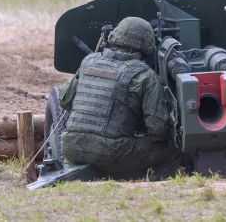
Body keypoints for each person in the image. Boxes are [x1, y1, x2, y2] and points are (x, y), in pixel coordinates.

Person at [58, 16, 181, 180]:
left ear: (115, 36)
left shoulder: (89, 61)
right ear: (146, 44)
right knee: (173, 148)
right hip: (112, 152)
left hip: (71, 147)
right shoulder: (144, 75)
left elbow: (64, 100)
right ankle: (154, 187)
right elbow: (158, 130)